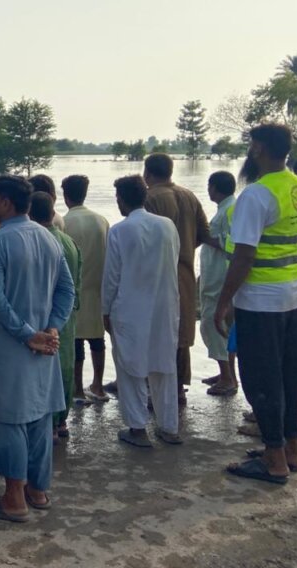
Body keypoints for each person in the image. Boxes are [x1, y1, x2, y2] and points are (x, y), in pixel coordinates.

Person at [216, 125, 297, 484]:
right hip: (293, 297)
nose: (249, 152)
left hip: (261, 301)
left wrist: (223, 302)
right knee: (285, 374)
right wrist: (296, 249)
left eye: (252, 146)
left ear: (260, 150)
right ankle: (289, 450)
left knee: (260, 378)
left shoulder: (256, 195)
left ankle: (274, 461)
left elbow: (243, 257)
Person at [0, 175, 74, 523]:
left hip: (11, 346)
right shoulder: (48, 238)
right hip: (43, 345)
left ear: (6, 203)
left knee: (10, 420)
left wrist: (27, 333)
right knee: (39, 418)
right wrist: (52, 328)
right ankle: (38, 490)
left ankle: (13, 498)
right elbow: (67, 291)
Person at [102, 176, 182, 448]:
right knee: (164, 366)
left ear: (121, 199)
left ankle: (138, 428)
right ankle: (169, 427)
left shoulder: (120, 230)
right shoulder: (168, 226)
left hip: (130, 307)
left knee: (130, 367)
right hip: (165, 306)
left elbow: (112, 276)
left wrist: (105, 309)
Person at [143, 152, 211, 396]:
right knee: (180, 329)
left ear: (147, 173)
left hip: (157, 274)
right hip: (184, 272)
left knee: (155, 329)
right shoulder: (189, 195)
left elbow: (142, 239)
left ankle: (154, 386)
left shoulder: (149, 197)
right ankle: (178, 387)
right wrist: (184, 249)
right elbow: (205, 233)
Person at [30, 192, 81, 441]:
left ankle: (48, 423)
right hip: (67, 316)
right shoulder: (68, 242)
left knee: (47, 369)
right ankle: (62, 422)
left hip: (46, 316)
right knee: (65, 367)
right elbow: (75, 282)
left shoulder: (38, 242)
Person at [60, 175, 111, 403]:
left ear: (65, 195)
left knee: (76, 340)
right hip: (98, 288)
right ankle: (99, 386)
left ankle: (78, 390)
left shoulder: (64, 222)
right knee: (98, 338)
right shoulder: (101, 221)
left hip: (75, 289)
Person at [199, 171, 238, 396]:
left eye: (209, 186)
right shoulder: (226, 208)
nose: (208, 190)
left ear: (214, 188)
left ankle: (227, 377)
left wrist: (204, 237)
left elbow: (231, 243)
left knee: (212, 325)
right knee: (222, 326)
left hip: (220, 278)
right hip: (216, 276)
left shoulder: (230, 210)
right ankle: (227, 373)